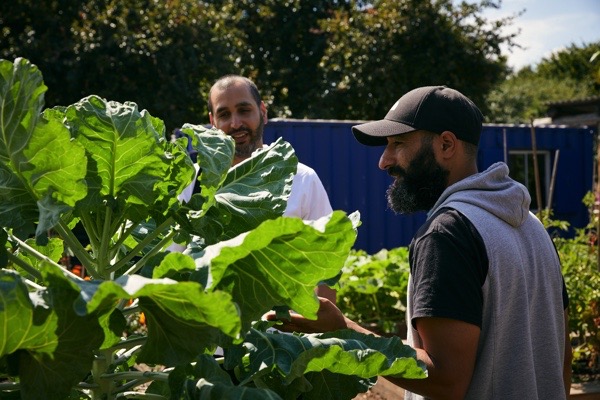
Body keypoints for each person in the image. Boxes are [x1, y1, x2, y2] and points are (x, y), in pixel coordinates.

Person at [266, 85, 572, 399]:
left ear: (446, 144)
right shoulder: (532, 226)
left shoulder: (448, 233)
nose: (384, 161)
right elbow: (562, 357)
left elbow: (445, 380)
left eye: (398, 143)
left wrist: (344, 330)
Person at [177, 75, 336, 302]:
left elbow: (326, 261)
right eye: (224, 114)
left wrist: (320, 318)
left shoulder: (301, 179)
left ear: (263, 112)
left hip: (280, 322)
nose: (235, 124)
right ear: (212, 122)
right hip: (208, 319)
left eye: (244, 110)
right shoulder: (192, 182)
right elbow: (171, 260)